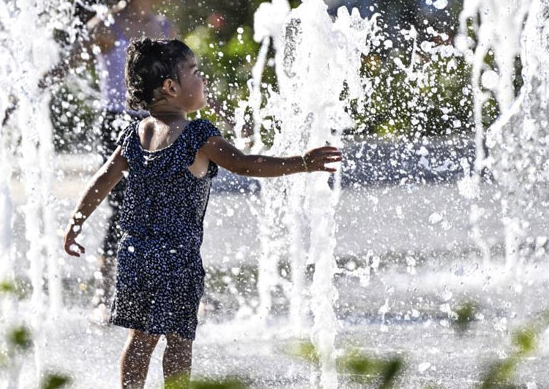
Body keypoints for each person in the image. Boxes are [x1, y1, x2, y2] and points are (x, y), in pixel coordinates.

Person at [62, 38, 342, 388]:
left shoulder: (135, 133)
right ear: (170, 87)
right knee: (179, 341)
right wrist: (300, 163)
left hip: (135, 253)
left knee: (140, 340)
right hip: (178, 258)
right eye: (195, 72)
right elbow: (246, 164)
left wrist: (76, 222)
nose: (203, 79)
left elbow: (103, 179)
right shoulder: (198, 135)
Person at [45, 0, 178, 315]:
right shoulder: (108, 27)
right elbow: (64, 67)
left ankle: (156, 287)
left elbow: (186, 78)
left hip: (161, 126)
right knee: (124, 209)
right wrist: (23, 94)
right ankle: (107, 292)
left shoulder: (165, 29)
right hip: (120, 127)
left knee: (162, 209)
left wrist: (219, 109)